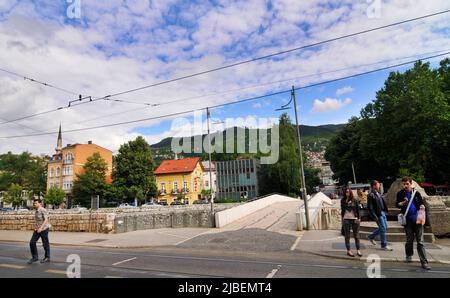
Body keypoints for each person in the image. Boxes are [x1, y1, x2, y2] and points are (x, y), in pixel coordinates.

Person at [396, 177, 430, 270]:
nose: (405, 186)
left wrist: (422, 206)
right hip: (407, 222)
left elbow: (421, 204)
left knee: (420, 242)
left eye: (407, 184)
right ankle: (409, 254)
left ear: (410, 184)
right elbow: (397, 204)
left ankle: (424, 262)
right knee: (409, 240)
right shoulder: (400, 193)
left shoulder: (416, 193)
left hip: (418, 221)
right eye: (404, 184)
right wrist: (403, 202)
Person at [367, 180, 393, 251]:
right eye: (378, 185)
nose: (379, 186)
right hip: (378, 214)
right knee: (383, 228)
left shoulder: (378, 193)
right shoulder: (370, 195)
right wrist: (374, 216)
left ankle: (371, 237)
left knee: (385, 227)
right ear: (374, 186)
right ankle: (384, 245)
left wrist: (385, 211)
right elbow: (370, 207)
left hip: (382, 212)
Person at [27, 198, 51, 264]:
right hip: (37, 229)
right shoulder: (36, 210)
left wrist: (41, 228)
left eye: (36, 203)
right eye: (34, 203)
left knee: (45, 244)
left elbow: (46, 220)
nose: (34, 204)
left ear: (40, 203)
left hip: (44, 229)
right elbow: (38, 221)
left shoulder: (43, 210)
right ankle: (35, 257)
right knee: (32, 242)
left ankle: (47, 257)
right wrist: (37, 228)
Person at [341, 188, 362, 257]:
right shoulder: (343, 200)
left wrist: (359, 219)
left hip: (354, 220)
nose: (347, 193)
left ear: (350, 193)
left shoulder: (354, 200)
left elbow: (358, 210)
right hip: (346, 220)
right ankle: (348, 251)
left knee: (356, 236)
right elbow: (342, 211)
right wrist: (342, 220)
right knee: (347, 236)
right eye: (346, 192)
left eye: (348, 192)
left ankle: (358, 250)